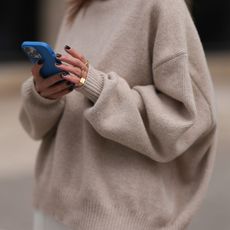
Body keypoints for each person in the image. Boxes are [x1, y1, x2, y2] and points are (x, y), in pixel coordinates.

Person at [19, 0, 218, 229]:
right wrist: (42, 94)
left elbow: (188, 118)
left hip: (118, 217)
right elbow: (37, 127)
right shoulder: (79, 8)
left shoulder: (162, 6)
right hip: (52, 208)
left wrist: (97, 87)